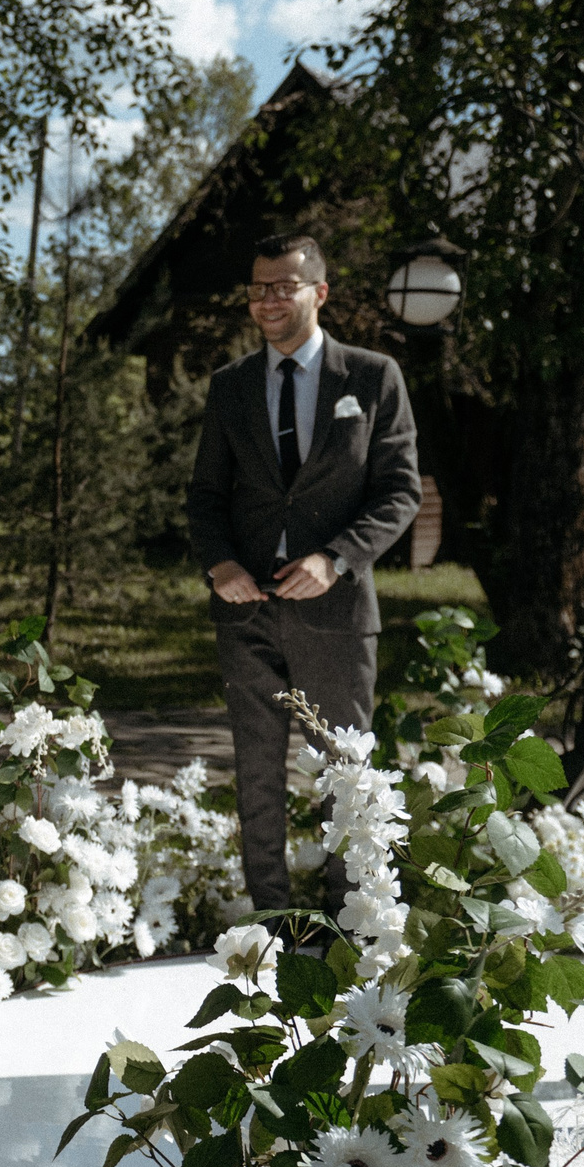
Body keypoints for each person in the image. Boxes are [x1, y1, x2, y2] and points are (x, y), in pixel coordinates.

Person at [186, 235, 422, 923]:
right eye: (258, 287)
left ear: (319, 292)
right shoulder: (230, 385)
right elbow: (206, 495)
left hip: (338, 612)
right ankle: (274, 925)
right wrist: (220, 562)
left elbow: (400, 492)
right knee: (256, 774)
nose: (266, 300)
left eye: (282, 286)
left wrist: (336, 557)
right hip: (244, 608)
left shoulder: (373, 378)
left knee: (345, 775)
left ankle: (349, 927)